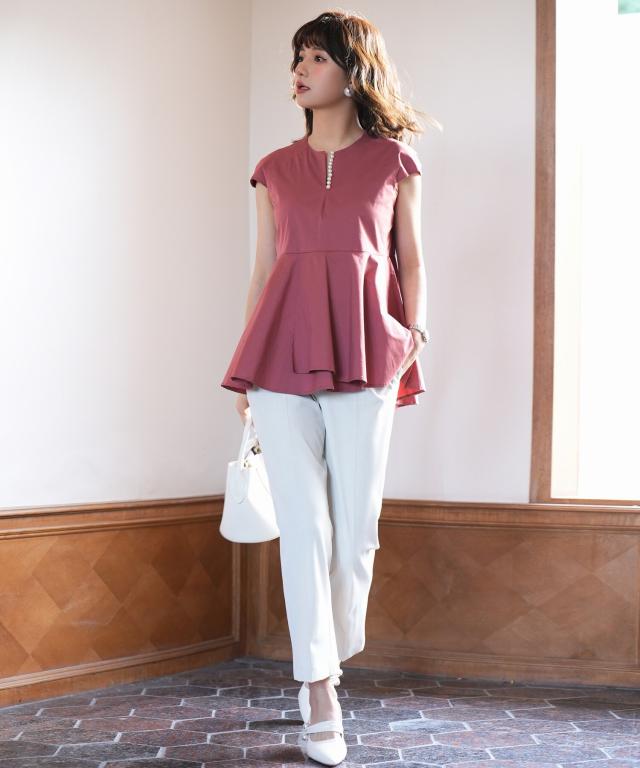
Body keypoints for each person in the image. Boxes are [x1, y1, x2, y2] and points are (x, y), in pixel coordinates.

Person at [220, 10, 433, 766]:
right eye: (297, 58)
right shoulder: (273, 168)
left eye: (316, 57)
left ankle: (329, 654)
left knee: (354, 530)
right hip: (278, 360)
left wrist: (414, 336)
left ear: (354, 70)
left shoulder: (394, 161)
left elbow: (412, 259)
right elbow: (263, 268)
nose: (300, 70)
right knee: (304, 527)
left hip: (370, 354)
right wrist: (245, 366)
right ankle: (319, 689)